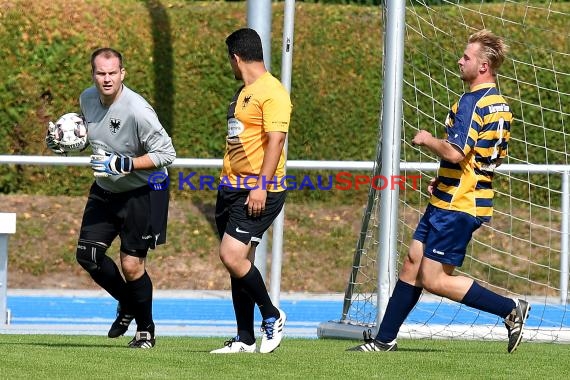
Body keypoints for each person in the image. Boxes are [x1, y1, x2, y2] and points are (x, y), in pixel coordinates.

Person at [348, 29, 529, 353]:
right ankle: (384, 339)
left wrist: (428, 139)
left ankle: (510, 309)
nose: (460, 62)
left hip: (458, 204)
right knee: (412, 263)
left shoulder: (472, 102)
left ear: (483, 67)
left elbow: (457, 153)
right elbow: (477, 159)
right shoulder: (498, 103)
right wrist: (444, 180)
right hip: (452, 195)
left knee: (434, 279)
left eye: (467, 57)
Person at [46, 48, 176, 348]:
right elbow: (90, 137)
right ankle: (129, 303)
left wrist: (126, 163)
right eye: (101, 73)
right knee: (87, 255)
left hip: (143, 192)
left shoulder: (138, 110)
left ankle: (145, 330)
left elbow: (167, 154)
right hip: (105, 190)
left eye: (112, 73)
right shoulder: (86, 98)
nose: (106, 79)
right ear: (93, 74)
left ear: (122, 74)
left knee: (131, 265)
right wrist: (63, 142)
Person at [210, 28, 292, 354]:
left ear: (236, 57)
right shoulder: (242, 92)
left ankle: (272, 314)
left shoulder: (272, 91)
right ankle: (244, 338)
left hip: (260, 191)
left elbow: (277, 141)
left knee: (231, 255)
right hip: (230, 189)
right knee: (239, 264)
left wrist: (260, 186)